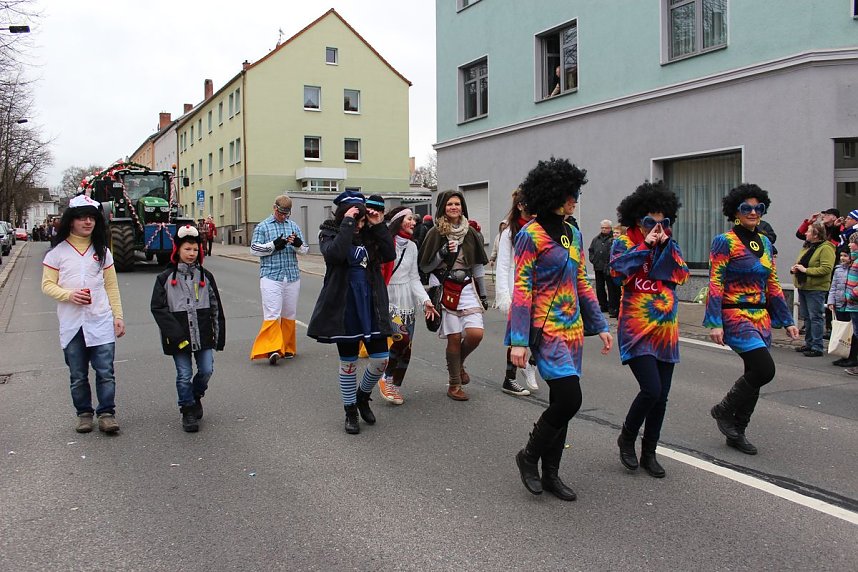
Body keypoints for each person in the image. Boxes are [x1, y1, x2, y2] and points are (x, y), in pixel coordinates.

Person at [508, 157, 612, 501]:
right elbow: (522, 290)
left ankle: (551, 474)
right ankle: (529, 456)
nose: (575, 199)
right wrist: (519, 342)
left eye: (576, 193)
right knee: (570, 398)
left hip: (573, 329)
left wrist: (600, 323)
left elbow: (583, 281)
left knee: (561, 402)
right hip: (545, 329)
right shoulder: (530, 235)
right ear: (551, 193)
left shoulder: (573, 233)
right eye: (570, 193)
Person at [705, 184, 800, 455]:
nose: (753, 212)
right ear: (735, 211)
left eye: (758, 208)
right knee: (764, 370)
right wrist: (714, 321)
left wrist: (787, 319)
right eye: (747, 208)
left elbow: (772, 284)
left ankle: (738, 431)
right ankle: (723, 410)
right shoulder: (725, 241)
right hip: (735, 314)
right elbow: (715, 282)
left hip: (761, 317)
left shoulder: (766, 242)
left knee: (753, 375)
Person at [610, 182, 689, 478]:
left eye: (663, 222)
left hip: (666, 330)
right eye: (650, 222)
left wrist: (664, 245)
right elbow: (618, 273)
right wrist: (645, 247)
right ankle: (627, 437)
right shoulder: (624, 243)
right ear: (636, 221)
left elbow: (680, 275)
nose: (657, 227)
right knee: (651, 389)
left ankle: (650, 451)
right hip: (636, 328)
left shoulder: (671, 244)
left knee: (663, 396)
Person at [307, 191, 395, 434]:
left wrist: (377, 225)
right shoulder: (329, 232)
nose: (360, 224)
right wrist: (348, 222)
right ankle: (350, 411)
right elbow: (335, 254)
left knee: (381, 360)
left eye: (362, 219)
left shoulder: (370, 233)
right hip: (344, 307)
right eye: (357, 219)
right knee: (349, 363)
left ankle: (362, 396)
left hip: (372, 304)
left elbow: (389, 254)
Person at [41, 195, 125, 434]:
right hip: (72, 324)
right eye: (82, 218)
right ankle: (84, 414)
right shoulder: (57, 253)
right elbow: (47, 285)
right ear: (71, 221)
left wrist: (118, 316)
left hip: (100, 320)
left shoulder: (103, 252)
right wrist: (69, 295)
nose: (88, 222)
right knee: (78, 375)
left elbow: (111, 286)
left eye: (92, 218)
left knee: (105, 372)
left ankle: (107, 413)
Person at [150, 225, 226, 432]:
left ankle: (195, 395)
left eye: (195, 250)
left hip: (203, 333)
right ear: (178, 250)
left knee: (206, 370)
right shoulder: (165, 278)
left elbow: (215, 307)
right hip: (179, 336)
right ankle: (187, 410)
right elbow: (158, 308)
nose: (191, 254)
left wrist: (218, 337)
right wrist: (175, 334)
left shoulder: (206, 276)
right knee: (184, 374)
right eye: (187, 249)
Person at [419, 190, 490, 401]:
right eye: (450, 204)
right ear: (443, 208)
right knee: (454, 336)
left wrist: (484, 295)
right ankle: (454, 383)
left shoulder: (471, 233)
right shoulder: (435, 233)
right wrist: (441, 253)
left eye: (457, 204)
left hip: (467, 287)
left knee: (475, 334)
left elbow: (477, 266)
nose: (454, 207)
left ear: (462, 207)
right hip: (445, 285)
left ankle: (457, 363)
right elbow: (425, 265)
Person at [377, 207, 437, 404]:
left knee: (407, 347)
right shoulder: (385, 242)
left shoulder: (412, 246)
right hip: (389, 299)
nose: (414, 222)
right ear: (399, 220)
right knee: (400, 339)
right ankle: (385, 378)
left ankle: (395, 384)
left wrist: (425, 301)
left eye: (414, 219)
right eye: (410, 219)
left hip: (408, 301)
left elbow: (414, 278)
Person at [249, 195, 309, 364]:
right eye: (281, 213)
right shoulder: (263, 226)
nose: (283, 216)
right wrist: (273, 245)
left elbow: (304, 250)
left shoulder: (293, 226)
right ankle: (273, 348)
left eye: (286, 214)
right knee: (272, 312)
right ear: (274, 208)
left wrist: (297, 243)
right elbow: (254, 249)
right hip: (271, 275)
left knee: (289, 313)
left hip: (291, 275)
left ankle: (288, 347)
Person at [494, 189, 537, 395]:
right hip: (517, 288)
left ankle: (531, 365)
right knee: (517, 335)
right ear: (520, 206)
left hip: (538, 288)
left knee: (541, 331)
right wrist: (504, 295)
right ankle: (509, 379)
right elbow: (502, 264)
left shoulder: (539, 228)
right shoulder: (510, 231)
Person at [791, 220, 835, 357]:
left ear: (816, 234)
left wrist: (806, 270)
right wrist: (795, 269)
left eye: (809, 231)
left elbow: (826, 268)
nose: (806, 233)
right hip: (803, 286)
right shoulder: (808, 247)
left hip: (816, 288)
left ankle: (817, 346)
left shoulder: (826, 248)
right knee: (807, 317)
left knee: (815, 317)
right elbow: (801, 262)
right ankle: (809, 343)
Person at [828, 247, 856, 367]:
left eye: (845, 255)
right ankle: (843, 355)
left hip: (850, 303)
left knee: (852, 333)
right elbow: (833, 286)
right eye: (841, 256)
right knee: (842, 331)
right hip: (839, 304)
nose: (842, 258)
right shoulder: (838, 270)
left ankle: (852, 356)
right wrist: (831, 301)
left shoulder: (854, 269)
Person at [588, 219, 614, 314]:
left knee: (611, 288)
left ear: (610, 228)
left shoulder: (613, 239)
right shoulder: (596, 239)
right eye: (602, 228)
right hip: (598, 266)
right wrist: (593, 259)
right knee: (599, 287)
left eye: (606, 228)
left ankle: (612, 306)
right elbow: (591, 250)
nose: (604, 229)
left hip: (608, 267)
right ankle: (603, 305)